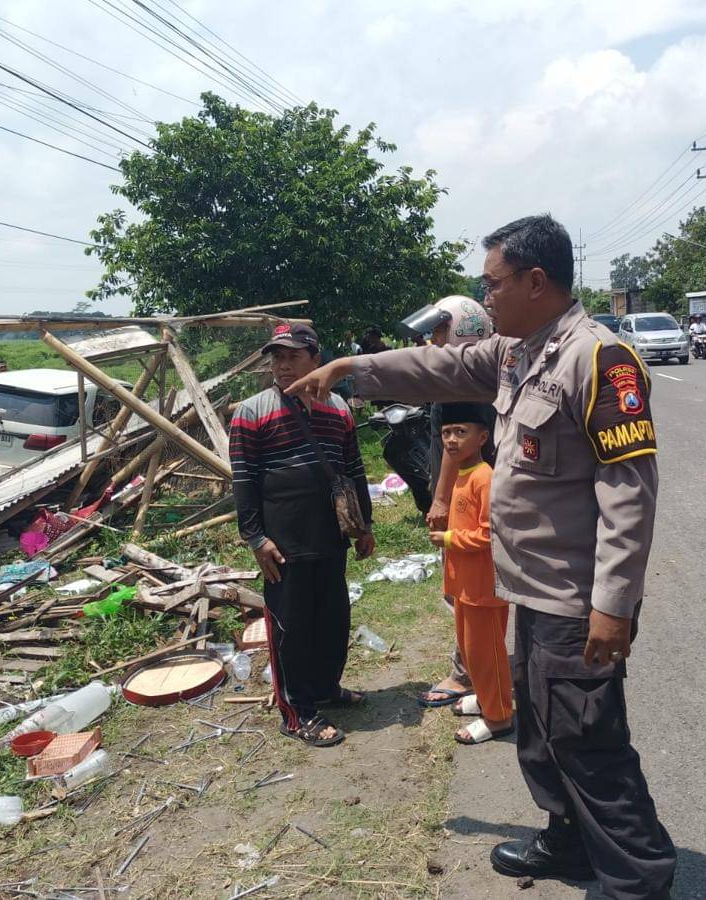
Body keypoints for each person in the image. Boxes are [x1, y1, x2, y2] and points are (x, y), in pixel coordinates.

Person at [287, 215, 676, 898]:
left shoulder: (599, 359)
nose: (484, 297)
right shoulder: (515, 352)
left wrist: (613, 605)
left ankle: (637, 880)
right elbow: (433, 367)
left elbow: (629, 493)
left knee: (588, 741)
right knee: (541, 731)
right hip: (527, 589)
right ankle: (569, 839)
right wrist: (351, 369)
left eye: (492, 284)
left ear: (535, 281)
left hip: (575, 598)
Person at [228, 323, 375, 748]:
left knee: (331, 619)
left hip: (330, 535)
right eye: (276, 357)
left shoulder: (339, 408)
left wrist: (363, 525)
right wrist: (256, 538)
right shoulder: (252, 411)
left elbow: (353, 469)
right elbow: (245, 480)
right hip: (283, 541)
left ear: (316, 359)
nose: (282, 365)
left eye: (292, 356)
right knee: (290, 627)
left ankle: (326, 687)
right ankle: (297, 712)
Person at [401, 296, 497, 709]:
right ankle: (479, 669)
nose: (431, 340)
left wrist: (439, 500)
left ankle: (469, 675)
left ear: (461, 330)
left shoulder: (466, 381)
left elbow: (457, 454)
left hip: (469, 495)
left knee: (468, 591)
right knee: (463, 590)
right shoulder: (468, 372)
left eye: (439, 332)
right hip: (468, 491)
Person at [426, 403, 513, 745]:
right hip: (463, 585)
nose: (451, 440)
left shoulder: (485, 478)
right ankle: (486, 699)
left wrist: (448, 537)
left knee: (487, 653)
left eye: (460, 432)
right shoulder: (462, 475)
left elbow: (491, 534)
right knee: (469, 649)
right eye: (446, 433)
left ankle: (500, 717)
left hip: (483, 589)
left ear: (482, 437)